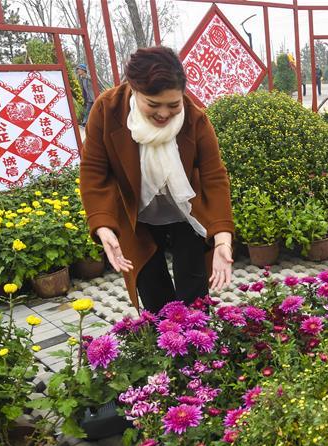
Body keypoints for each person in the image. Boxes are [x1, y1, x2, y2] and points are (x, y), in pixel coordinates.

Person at [79, 46, 235, 313]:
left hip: (187, 213)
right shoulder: (107, 111)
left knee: (195, 296)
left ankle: (198, 349)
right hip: (136, 215)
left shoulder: (194, 118)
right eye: (153, 105)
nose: (164, 114)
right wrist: (103, 226)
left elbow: (214, 176)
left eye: (173, 105)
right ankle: (166, 349)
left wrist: (223, 239)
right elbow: (94, 171)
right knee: (153, 294)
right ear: (134, 89)